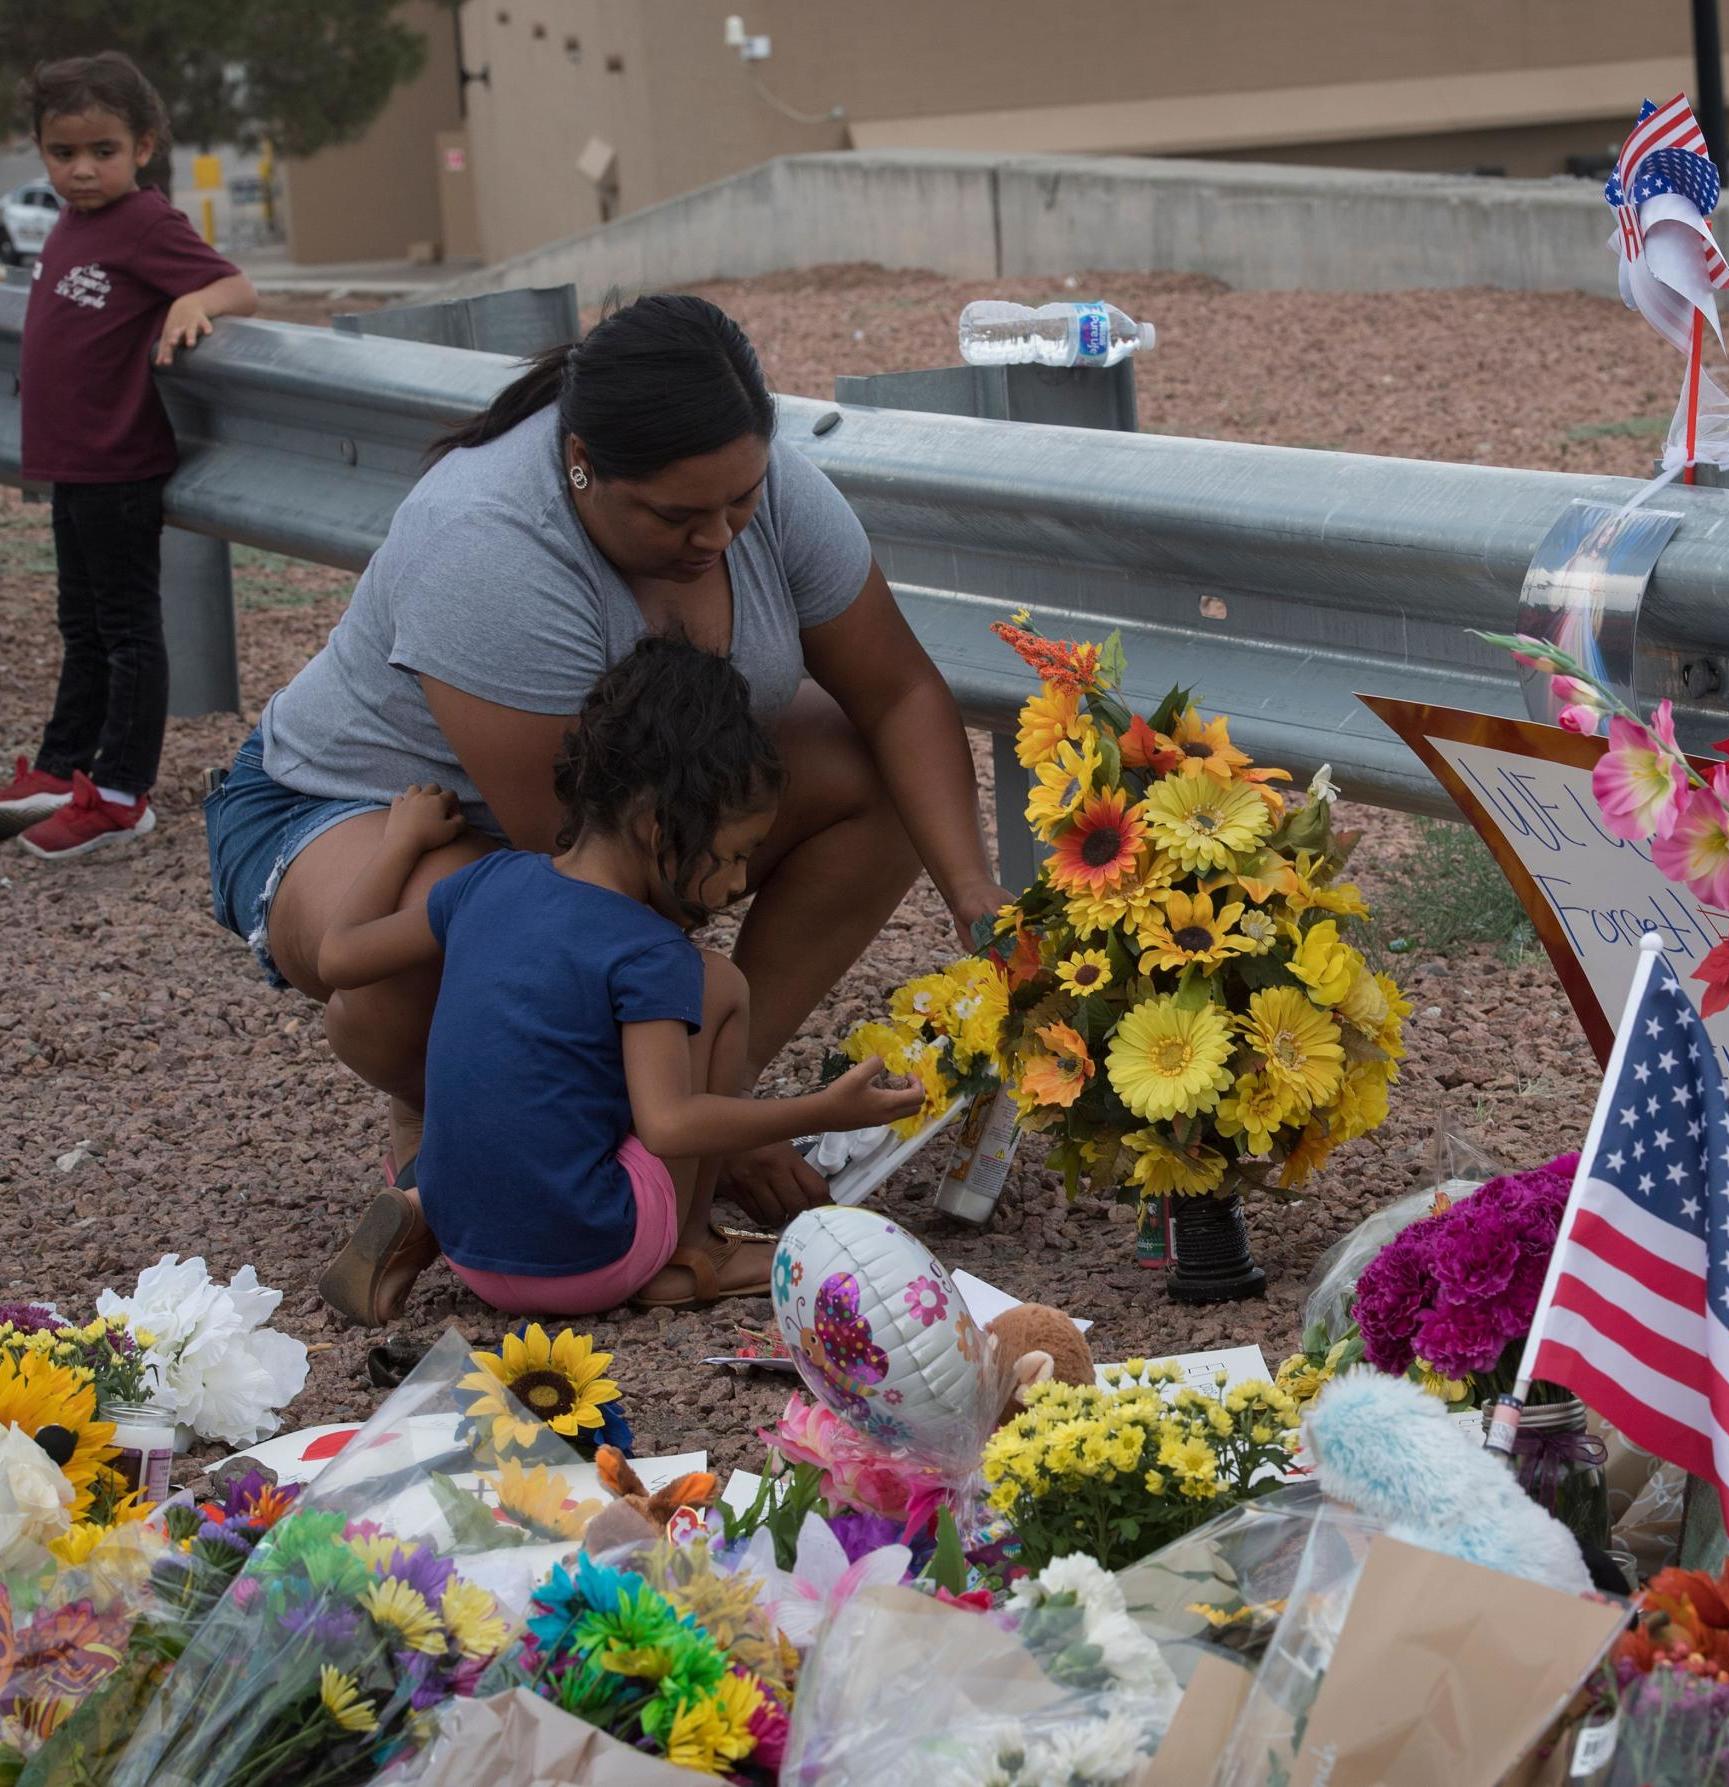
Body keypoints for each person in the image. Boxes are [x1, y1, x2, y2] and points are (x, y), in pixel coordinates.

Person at [202, 292, 1003, 1222]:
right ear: (581, 466)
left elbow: (898, 693)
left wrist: (973, 896)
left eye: (739, 502)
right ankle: (478, 1113)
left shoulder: (761, 489)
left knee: (875, 777)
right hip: (361, 808)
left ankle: (690, 1103)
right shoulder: (490, 542)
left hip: (604, 822)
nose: (717, 538)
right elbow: (580, 881)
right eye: (677, 517)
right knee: (426, 974)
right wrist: (713, 1112)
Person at [313, 638, 926, 1324]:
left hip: (469, 1250)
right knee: (718, 983)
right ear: (657, 827)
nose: (738, 883)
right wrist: (822, 1109)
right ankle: (692, 1251)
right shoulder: (651, 950)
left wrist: (401, 843)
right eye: (731, 855)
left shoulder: (487, 881)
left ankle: (428, 1201)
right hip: (591, 1261)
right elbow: (668, 1124)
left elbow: (337, 955)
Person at [1, 52, 257, 857]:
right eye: (64, 152)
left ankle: (119, 793)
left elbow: (235, 287)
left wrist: (191, 300)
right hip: (74, 464)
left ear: (143, 146)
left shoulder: (146, 221)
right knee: (79, 623)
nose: (82, 170)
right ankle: (60, 767)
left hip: (119, 464)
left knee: (125, 631)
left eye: (102, 151)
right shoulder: (73, 224)